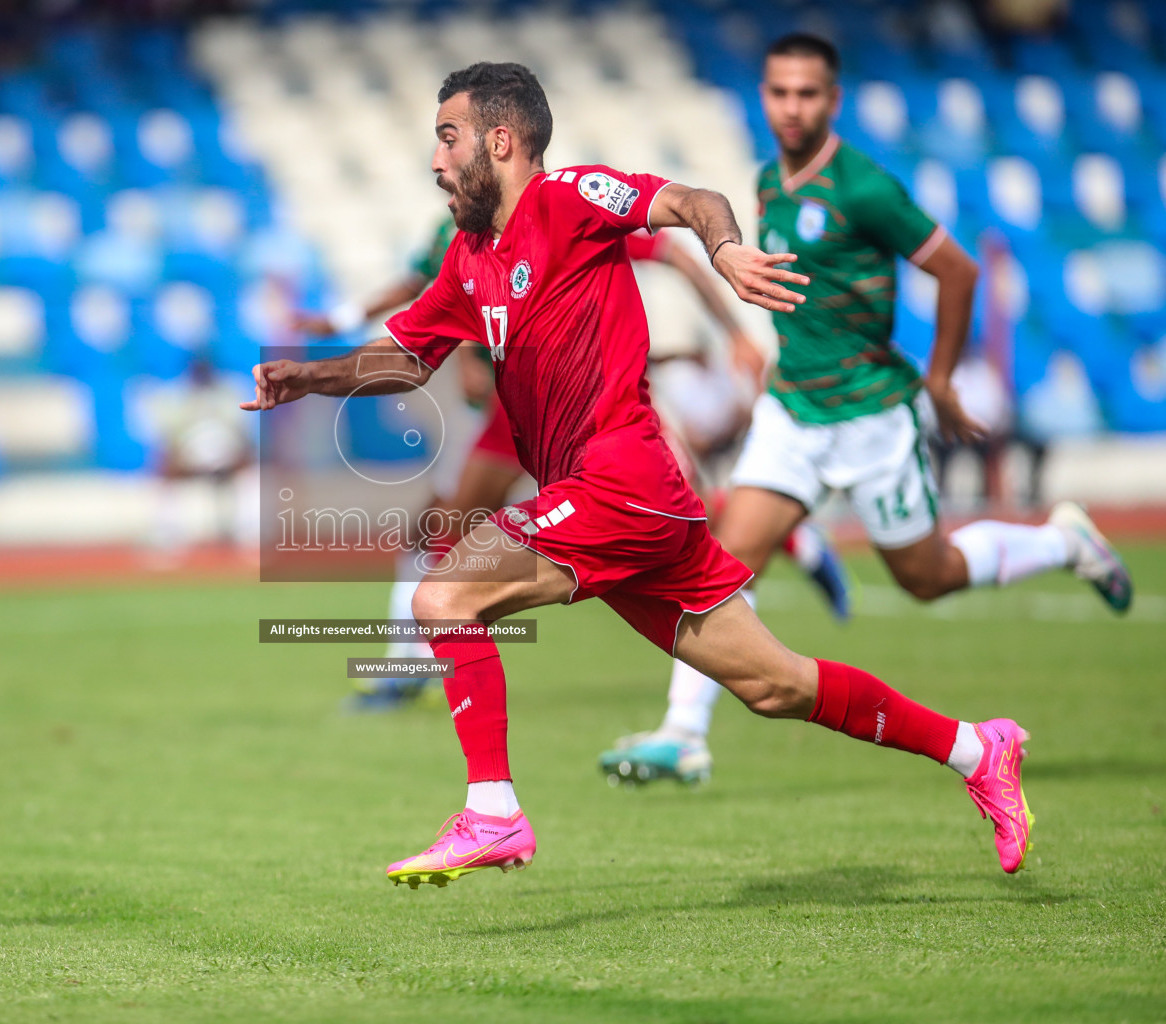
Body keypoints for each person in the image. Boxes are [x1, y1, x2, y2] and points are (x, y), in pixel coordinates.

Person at [243, 61, 1043, 884]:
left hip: (618, 482)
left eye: (448, 139)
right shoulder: (471, 257)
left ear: (501, 140)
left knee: (446, 594)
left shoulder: (569, 199)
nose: (438, 160)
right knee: (774, 686)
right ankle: (978, 749)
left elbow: (693, 203)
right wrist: (310, 376)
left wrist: (726, 251)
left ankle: (493, 813)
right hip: (623, 505)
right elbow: (405, 358)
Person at [600, 34, 1133, 787]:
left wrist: (942, 380)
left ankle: (1063, 542)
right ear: (764, 96)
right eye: (779, 92)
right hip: (792, 412)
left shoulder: (863, 188)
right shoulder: (766, 181)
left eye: (807, 94)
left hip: (872, 416)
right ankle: (684, 732)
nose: (792, 107)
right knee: (718, 565)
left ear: (833, 100)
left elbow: (957, 268)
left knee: (927, 575)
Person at [301, 219, 852, 715]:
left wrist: (733, 333)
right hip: (511, 414)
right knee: (439, 525)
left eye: (452, 141)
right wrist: (342, 320)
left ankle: (795, 540)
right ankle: (409, 670)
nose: (443, 166)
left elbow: (675, 251)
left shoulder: (564, 224)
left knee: (669, 513)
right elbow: (417, 290)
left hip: (586, 414)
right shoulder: (455, 235)